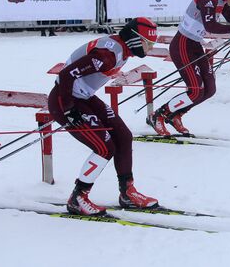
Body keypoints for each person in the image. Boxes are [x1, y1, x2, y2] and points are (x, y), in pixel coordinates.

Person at [48, 17, 160, 215]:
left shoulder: (121, 49)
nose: (150, 48)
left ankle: (127, 192)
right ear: (135, 39)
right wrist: (68, 109)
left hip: (82, 96)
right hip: (64, 99)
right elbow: (67, 75)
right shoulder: (108, 54)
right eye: (147, 43)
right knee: (104, 147)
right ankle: (78, 197)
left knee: (123, 135)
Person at [147, 0, 230, 136]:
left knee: (210, 89)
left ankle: (176, 114)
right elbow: (210, 25)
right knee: (196, 90)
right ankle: (158, 116)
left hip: (195, 44)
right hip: (183, 45)